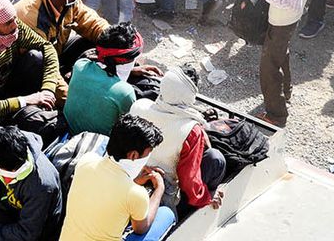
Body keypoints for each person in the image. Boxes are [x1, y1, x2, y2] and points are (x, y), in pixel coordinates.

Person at [60, 115, 176, 241]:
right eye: (147, 154)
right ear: (133, 155)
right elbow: (141, 229)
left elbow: (107, 191)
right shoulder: (136, 194)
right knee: (166, 214)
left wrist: (133, 181)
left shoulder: (86, 161)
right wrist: (159, 190)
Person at [129, 67, 226, 214]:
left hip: (131, 178)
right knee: (216, 159)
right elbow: (188, 180)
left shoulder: (139, 106)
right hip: (162, 190)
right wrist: (206, 196)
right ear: (190, 96)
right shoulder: (190, 130)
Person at [258, 0, 322, 127]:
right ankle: (286, 91)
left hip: (282, 19)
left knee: (269, 67)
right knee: (281, 53)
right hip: (292, 20)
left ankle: (276, 115)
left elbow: (293, 4)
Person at [0, 124, 64, 240]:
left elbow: (26, 234)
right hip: (6, 202)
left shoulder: (42, 186)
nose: (8, 180)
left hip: (26, 227)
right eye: (5, 174)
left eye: (15, 174)